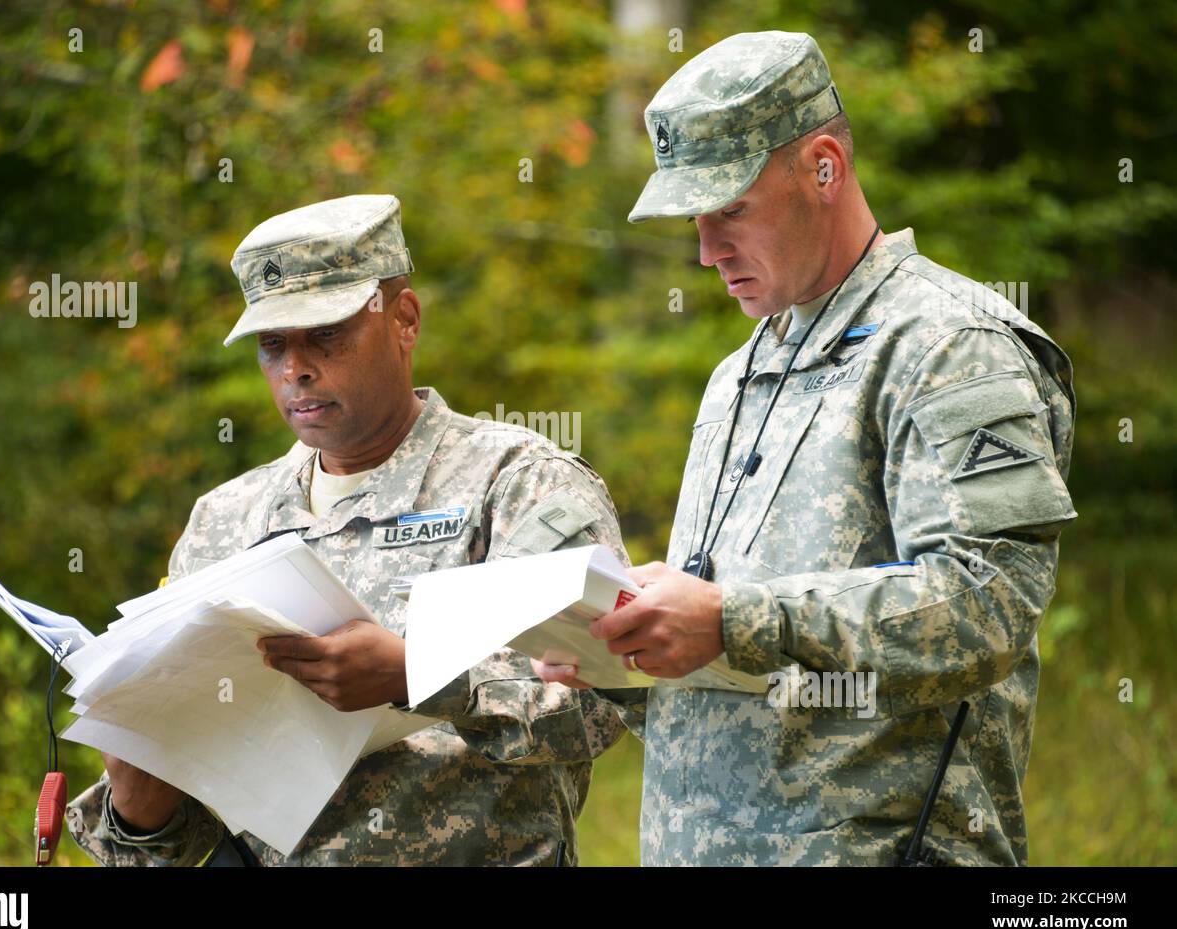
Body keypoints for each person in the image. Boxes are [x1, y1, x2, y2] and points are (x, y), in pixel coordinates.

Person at [536, 31, 1076, 866]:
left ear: (823, 166)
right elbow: (749, 675)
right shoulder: (740, 370)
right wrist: (619, 651)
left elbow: (989, 604)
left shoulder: (948, 345)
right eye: (695, 219)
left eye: (731, 210)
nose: (706, 251)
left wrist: (734, 619)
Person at [65, 194, 632, 866]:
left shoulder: (517, 483)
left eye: (325, 336)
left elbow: (607, 699)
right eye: (273, 346)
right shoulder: (227, 519)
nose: (295, 369)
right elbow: (171, 844)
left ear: (405, 320)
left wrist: (414, 675)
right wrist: (136, 797)